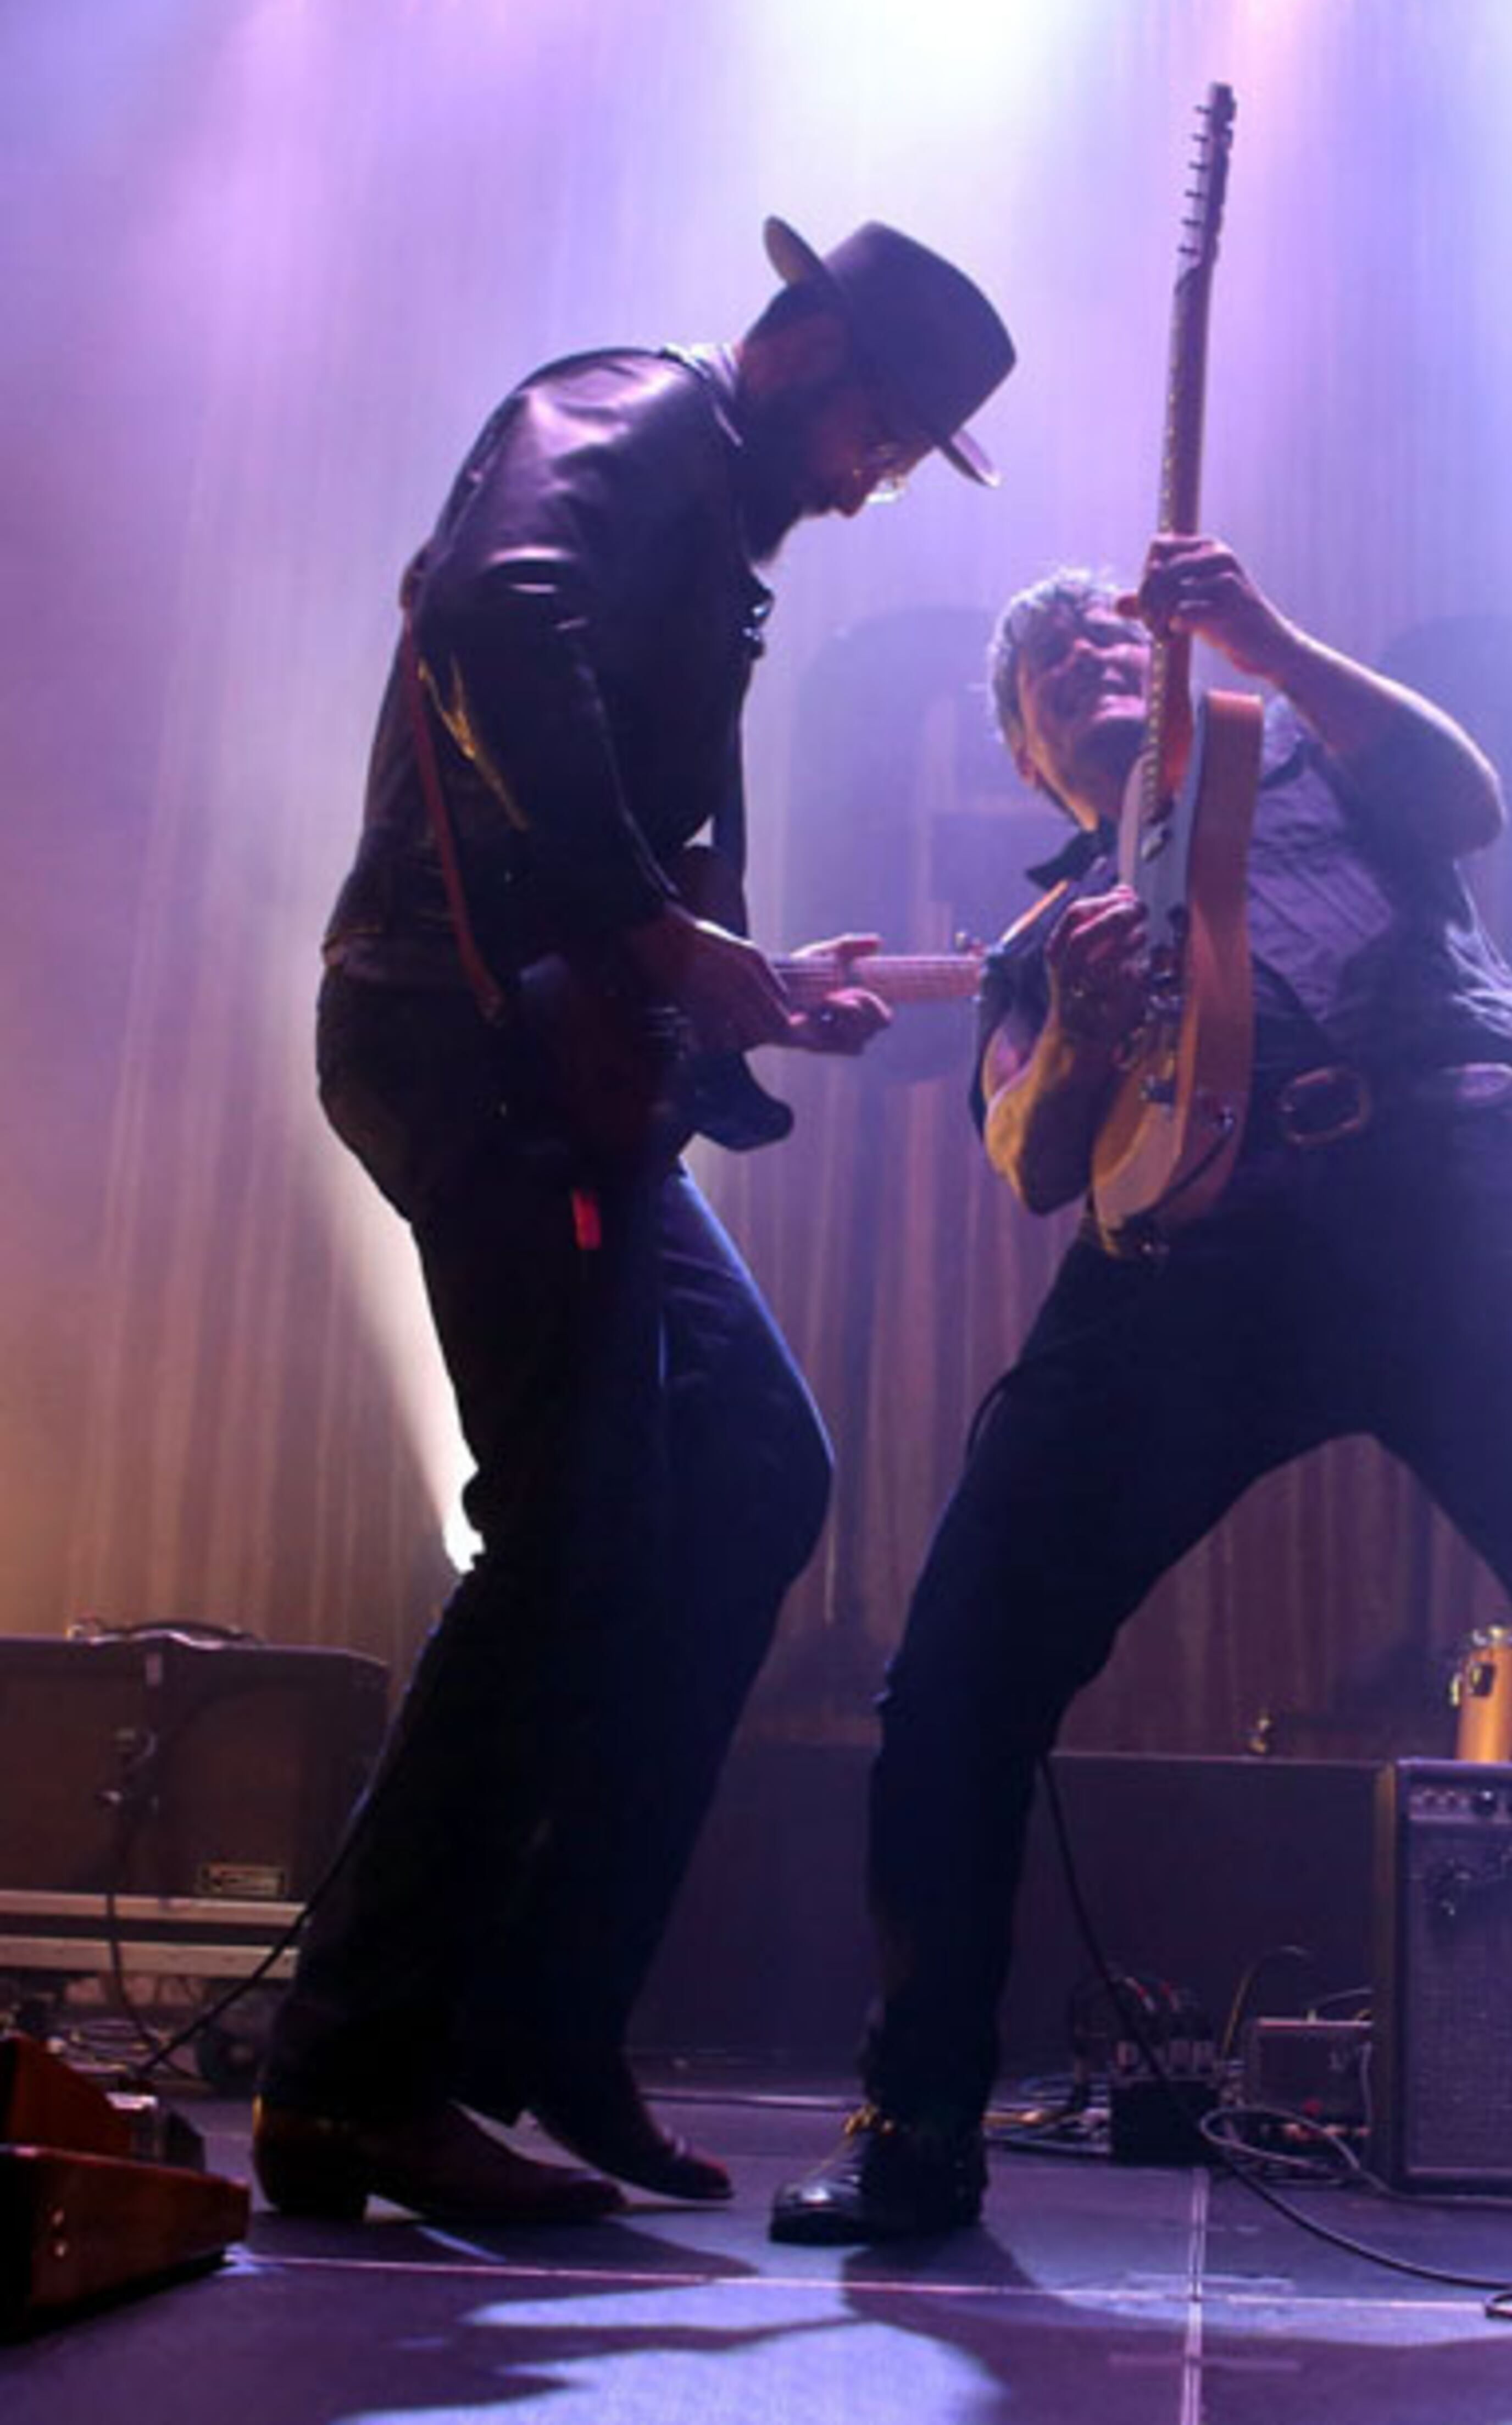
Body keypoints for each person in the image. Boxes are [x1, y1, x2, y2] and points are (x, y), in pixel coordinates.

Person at [771, 537, 1512, 2290]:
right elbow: (1023, 1156)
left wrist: (1259, 635)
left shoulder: (1307, 756)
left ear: (1170, 665)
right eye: (1047, 677)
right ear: (1029, 758)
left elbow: (1471, 799)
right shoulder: (1042, 931)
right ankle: (917, 2123)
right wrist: (1082, 1040)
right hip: (1182, 1263)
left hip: (1453, 1180)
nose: (1088, 663)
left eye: (1108, 639)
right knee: (958, 1669)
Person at [253, 221, 1015, 2226]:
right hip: (462, 1036)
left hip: (560, 1062)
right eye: (879, 430)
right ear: (804, 347)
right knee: (573, 1534)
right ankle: (349, 2076)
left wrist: (740, 984)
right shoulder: (625, 411)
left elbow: (622, 847)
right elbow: (498, 619)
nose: (871, 482)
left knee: (760, 1472)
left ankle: (542, 2019)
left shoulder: (714, 513)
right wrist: (669, 938)